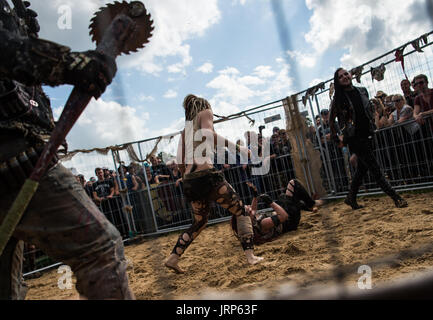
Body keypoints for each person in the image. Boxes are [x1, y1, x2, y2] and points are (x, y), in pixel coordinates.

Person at [0, 1, 134, 299]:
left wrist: (42, 121)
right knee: (101, 249)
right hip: (13, 155)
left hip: (19, 152)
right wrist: (70, 64)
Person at [165, 94, 263, 274]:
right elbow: (209, 134)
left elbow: (179, 160)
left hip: (189, 181)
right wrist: (239, 148)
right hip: (207, 176)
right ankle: (250, 257)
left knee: (199, 222)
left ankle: (173, 258)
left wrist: (185, 174)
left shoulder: (185, 130)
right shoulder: (206, 112)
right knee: (241, 211)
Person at [329, 68, 407, 210]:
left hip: (369, 133)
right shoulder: (338, 99)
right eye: (340, 77)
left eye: (346, 74)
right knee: (375, 168)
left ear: (350, 75)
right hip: (354, 138)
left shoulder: (362, 90)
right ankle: (396, 197)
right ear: (337, 81)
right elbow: (330, 120)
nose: (344, 77)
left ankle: (350, 197)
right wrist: (336, 138)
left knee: (362, 169)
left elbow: (367, 111)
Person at [231, 181, 323, 245]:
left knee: (283, 198)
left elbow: (254, 209)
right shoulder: (263, 224)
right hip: (290, 221)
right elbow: (284, 216)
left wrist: (255, 195)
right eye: (248, 209)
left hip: (287, 220)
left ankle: (310, 207)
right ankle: (312, 204)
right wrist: (270, 202)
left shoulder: (251, 224)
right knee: (293, 184)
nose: (250, 207)